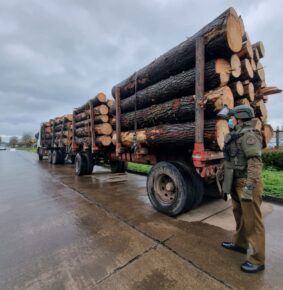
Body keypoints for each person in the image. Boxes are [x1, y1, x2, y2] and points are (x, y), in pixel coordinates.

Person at [218, 105, 265, 273]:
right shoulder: (236, 135)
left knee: (253, 222)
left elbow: (255, 162)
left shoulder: (248, 136)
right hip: (236, 181)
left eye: (232, 118)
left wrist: (249, 186)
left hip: (247, 182)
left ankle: (258, 259)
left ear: (238, 118)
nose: (229, 120)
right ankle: (240, 244)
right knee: (240, 216)